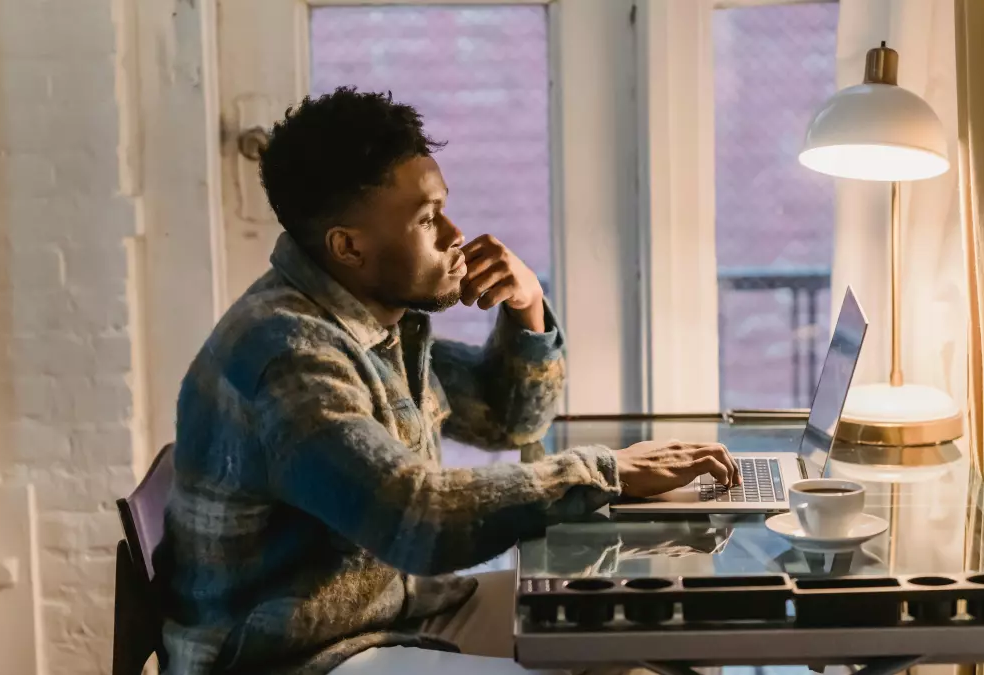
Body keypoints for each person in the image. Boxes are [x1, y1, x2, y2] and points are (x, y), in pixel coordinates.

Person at [155, 87, 740, 675]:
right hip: (298, 654)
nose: (454, 233)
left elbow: (504, 418)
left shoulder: (375, 321)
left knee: (677, 629)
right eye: (427, 219)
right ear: (348, 246)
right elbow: (418, 522)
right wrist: (607, 472)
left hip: (395, 611)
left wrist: (527, 307)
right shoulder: (288, 355)